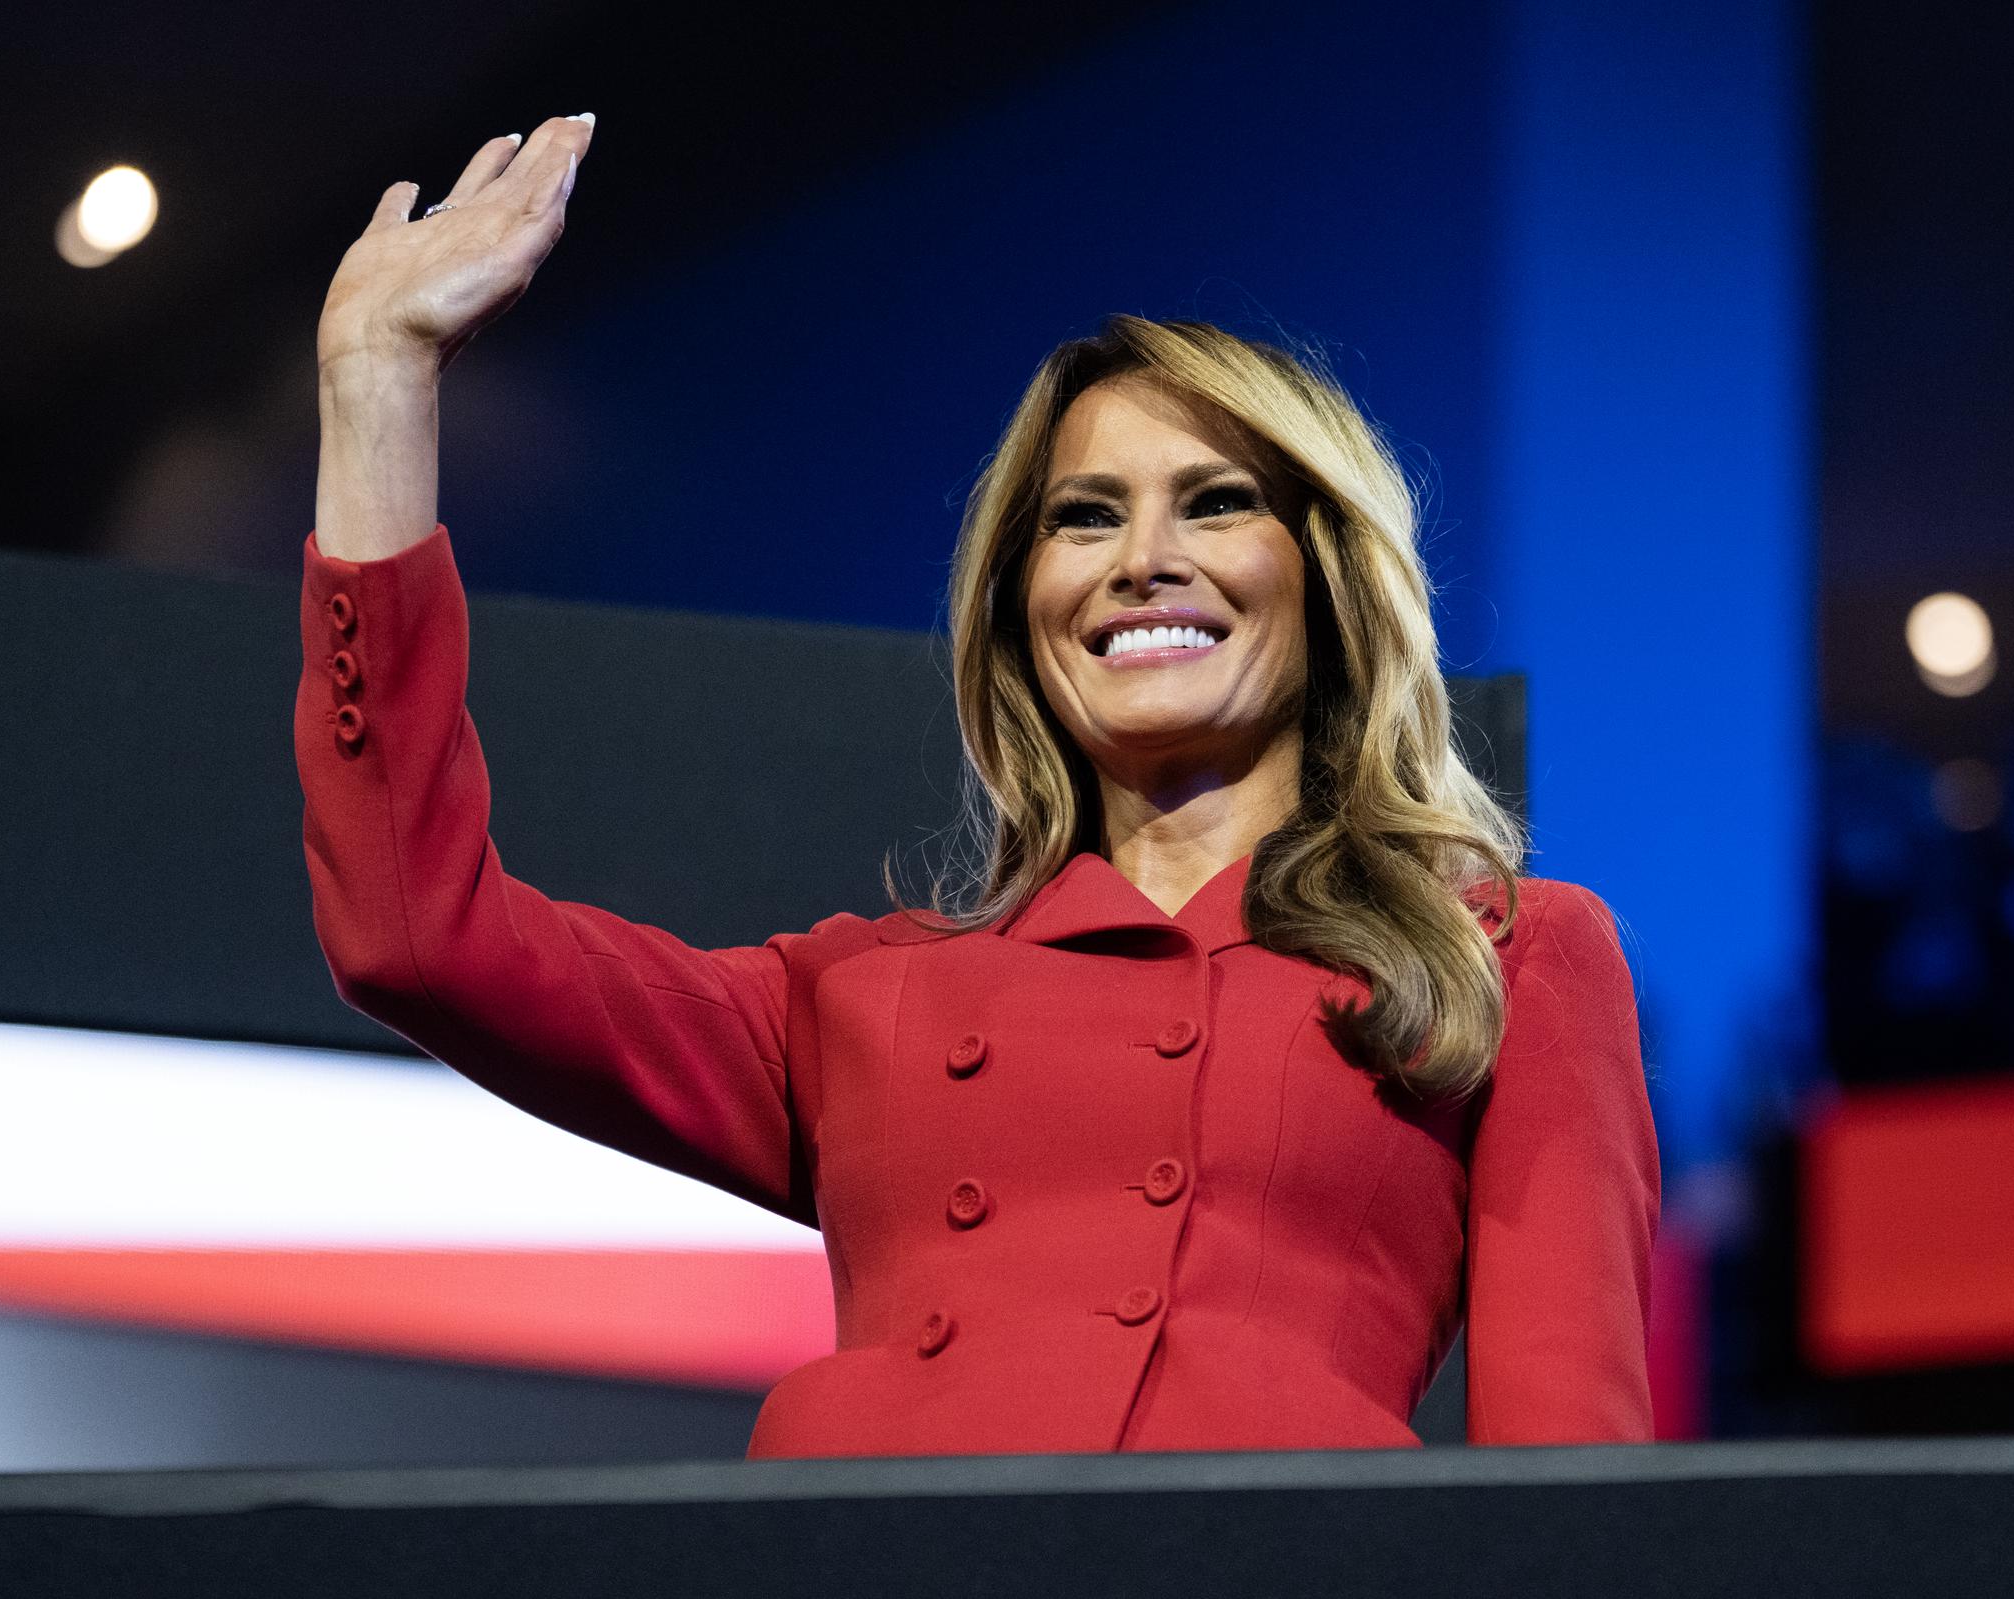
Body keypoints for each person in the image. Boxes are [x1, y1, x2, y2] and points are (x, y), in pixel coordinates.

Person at [298, 113, 1660, 1457]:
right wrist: (378, 386)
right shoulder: (862, 1000)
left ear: (1328, 576)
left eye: (1217, 501)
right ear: (1023, 610)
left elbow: (1572, 1461)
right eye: (1084, 517)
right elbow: (421, 937)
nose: (1143, 559)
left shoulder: (1499, 955)